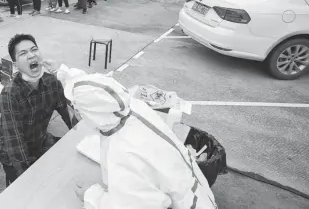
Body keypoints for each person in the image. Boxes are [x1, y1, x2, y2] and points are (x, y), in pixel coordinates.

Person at [48, 65, 217, 208]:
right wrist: (63, 73)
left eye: (76, 107)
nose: (75, 112)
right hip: (197, 194)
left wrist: (91, 196)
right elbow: (92, 88)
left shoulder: (123, 152)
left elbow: (136, 205)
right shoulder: (132, 109)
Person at [0, 34, 74, 186]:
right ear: (15, 64)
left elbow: (71, 118)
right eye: (23, 53)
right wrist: (29, 181)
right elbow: (15, 145)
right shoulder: (10, 94)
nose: (31, 55)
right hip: (15, 157)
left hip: (42, 142)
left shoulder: (52, 81)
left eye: (34, 50)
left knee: (72, 164)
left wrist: (66, 80)